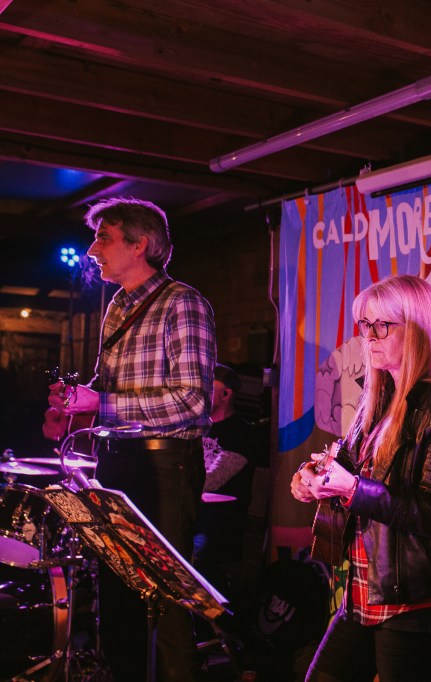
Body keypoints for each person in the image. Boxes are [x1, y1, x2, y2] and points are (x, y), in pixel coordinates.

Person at [44, 196, 216, 682]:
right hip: (118, 459)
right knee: (117, 593)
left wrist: (102, 404)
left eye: (104, 237)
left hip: (165, 465)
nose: (92, 249)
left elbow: (192, 402)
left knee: (164, 598)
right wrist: (79, 401)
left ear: (140, 245)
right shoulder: (118, 304)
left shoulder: (183, 302)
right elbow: (109, 390)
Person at [290, 274, 431, 682]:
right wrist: (312, 476)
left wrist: (352, 489)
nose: (370, 337)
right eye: (365, 324)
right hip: (365, 591)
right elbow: (344, 463)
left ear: (418, 330)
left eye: (382, 325)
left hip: (416, 598)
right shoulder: (377, 397)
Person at [193, 362, 259, 597]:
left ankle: (217, 614)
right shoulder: (196, 427)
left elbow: (214, 479)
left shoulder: (241, 433)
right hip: (194, 513)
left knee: (196, 560)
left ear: (225, 394)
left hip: (219, 521)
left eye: (208, 387)